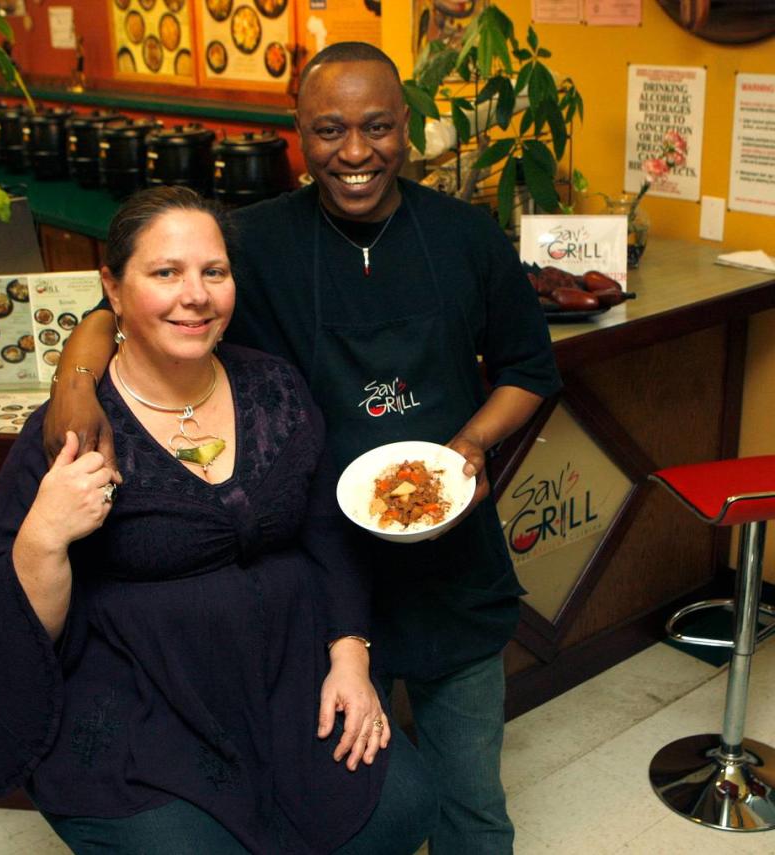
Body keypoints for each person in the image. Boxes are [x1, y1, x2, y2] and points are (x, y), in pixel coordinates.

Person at [44, 43, 561, 854]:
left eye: (378, 127)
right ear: (298, 133)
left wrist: (471, 443)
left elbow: (531, 368)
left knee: (472, 802)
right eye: (329, 129)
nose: (355, 152)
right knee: (343, 803)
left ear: (408, 128)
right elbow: (135, 293)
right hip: (316, 587)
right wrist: (78, 375)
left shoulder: (466, 236)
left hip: (452, 566)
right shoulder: (255, 241)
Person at [0, 186, 437, 855]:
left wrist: (350, 657)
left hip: (287, 681)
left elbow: (328, 530)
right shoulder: (72, 430)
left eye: (214, 271)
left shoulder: (276, 388)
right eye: (165, 272)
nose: (196, 294)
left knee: (402, 806)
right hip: (145, 706)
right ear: (112, 289)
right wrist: (44, 534)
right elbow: (2, 627)